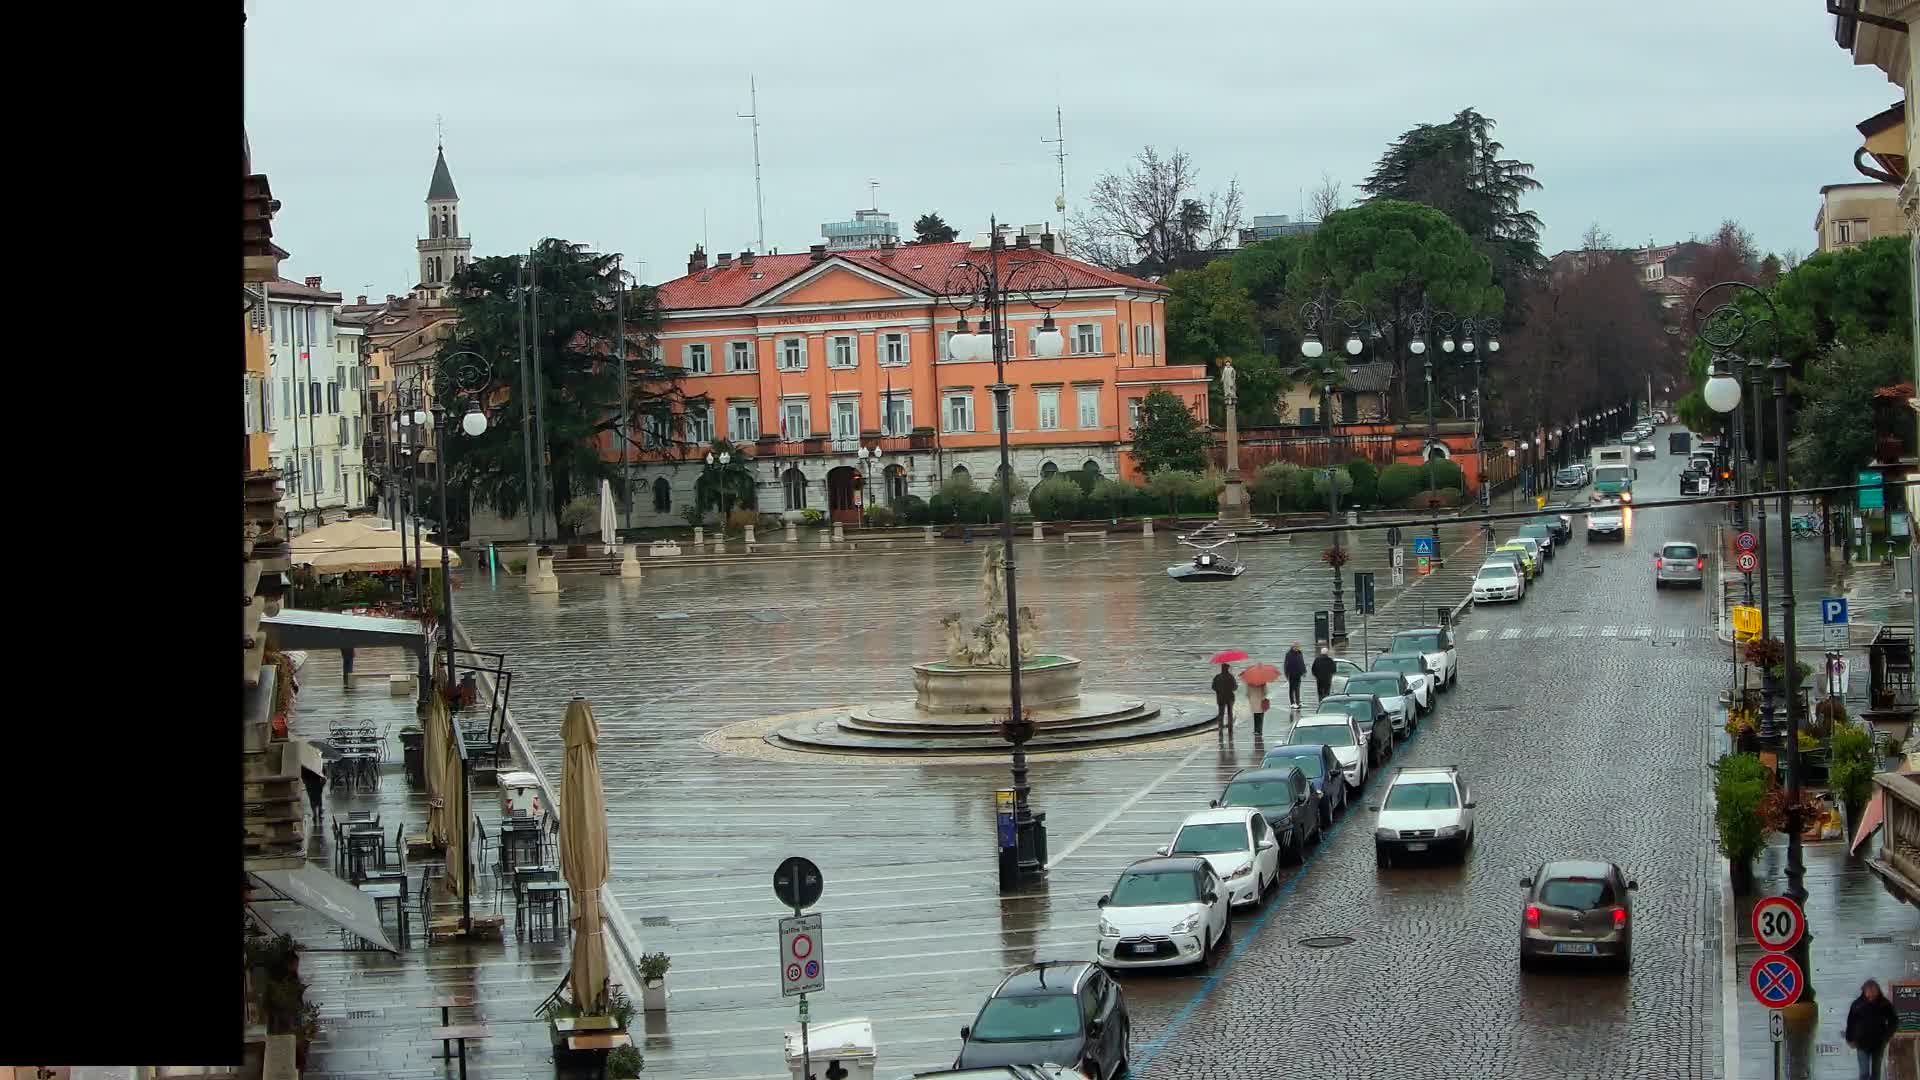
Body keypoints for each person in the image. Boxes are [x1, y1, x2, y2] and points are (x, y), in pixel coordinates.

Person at [1846, 978, 1899, 1080]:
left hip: (1878, 1043)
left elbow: (1894, 1021)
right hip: (1861, 1043)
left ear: (1877, 991)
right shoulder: (1857, 1004)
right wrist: (1850, 1039)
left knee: (1876, 1073)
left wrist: (1886, 1036)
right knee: (1864, 1073)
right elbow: (1850, 1023)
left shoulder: (1884, 1004)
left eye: (1873, 994)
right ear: (1864, 992)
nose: (1871, 997)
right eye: (1869, 994)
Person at [1211, 663, 1238, 733]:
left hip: (1220, 697)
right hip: (1230, 697)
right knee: (1230, 713)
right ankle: (1230, 727)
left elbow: (1213, 687)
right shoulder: (1230, 677)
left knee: (1221, 713)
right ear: (1228, 668)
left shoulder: (1217, 677)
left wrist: (1218, 690)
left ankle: (1220, 727)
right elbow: (1235, 687)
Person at [1283, 645, 1307, 710]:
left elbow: (1302, 663)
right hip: (1292, 674)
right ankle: (1292, 703)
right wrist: (1286, 673)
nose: (1296, 648)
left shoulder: (1300, 653)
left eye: (1297, 647)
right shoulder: (1289, 654)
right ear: (1292, 647)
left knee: (1297, 688)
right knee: (1292, 688)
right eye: (1295, 647)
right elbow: (1286, 664)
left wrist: (1304, 671)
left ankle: (1298, 702)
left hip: (1298, 674)